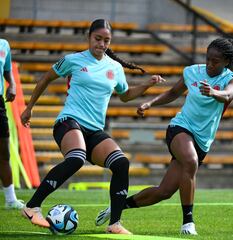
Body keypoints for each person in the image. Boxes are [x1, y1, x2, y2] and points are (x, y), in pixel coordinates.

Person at [20, 19, 164, 234]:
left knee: (121, 164)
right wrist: (29, 107)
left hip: (94, 130)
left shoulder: (115, 68)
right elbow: (45, 79)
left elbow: (125, 96)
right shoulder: (73, 60)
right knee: (77, 158)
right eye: (98, 39)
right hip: (69, 122)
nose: (102, 44)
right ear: (88, 37)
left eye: (106, 40)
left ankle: (114, 224)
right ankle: (31, 206)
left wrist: (147, 85)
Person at [95, 38, 233, 235]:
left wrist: (213, 92)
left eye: (215, 61)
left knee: (163, 192)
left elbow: (228, 94)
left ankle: (117, 206)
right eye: (207, 59)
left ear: (226, 61)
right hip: (180, 128)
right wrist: (150, 103)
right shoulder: (192, 71)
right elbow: (173, 92)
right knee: (191, 162)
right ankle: (188, 223)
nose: (209, 64)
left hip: (202, 140)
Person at [0, 39, 25, 210]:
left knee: (3, 153)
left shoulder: (4, 45)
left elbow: (7, 70)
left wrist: (12, 85)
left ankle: (10, 200)